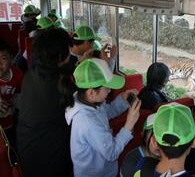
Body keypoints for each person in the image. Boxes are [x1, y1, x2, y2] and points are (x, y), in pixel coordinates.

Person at [65, 58, 141, 177]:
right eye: (107, 88)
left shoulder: (88, 102)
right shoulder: (87, 121)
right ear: (91, 92)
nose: (110, 91)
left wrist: (122, 99)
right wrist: (129, 124)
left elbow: (107, 111)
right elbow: (111, 152)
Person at [16, 28, 72, 177]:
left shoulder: (33, 72)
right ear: (60, 55)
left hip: (27, 146)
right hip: (49, 153)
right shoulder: (58, 85)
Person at [120, 113, 160, 177]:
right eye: (153, 136)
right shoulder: (130, 165)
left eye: (161, 137)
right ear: (144, 137)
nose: (157, 143)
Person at [0, 41, 24, 147]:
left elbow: (19, 96)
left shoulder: (18, 74)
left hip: (10, 118)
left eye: (3, 58)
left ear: (11, 58)